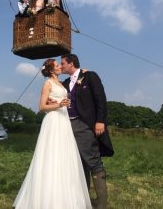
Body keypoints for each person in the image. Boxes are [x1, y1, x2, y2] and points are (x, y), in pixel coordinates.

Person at [13, 59, 92, 209]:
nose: (60, 67)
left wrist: (83, 73)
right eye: (56, 65)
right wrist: (58, 104)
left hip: (64, 121)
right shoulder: (47, 84)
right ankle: (48, 197)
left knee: (64, 154)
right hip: (53, 121)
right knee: (51, 154)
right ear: (50, 70)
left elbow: (76, 79)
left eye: (59, 64)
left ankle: (66, 194)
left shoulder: (62, 83)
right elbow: (42, 106)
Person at [60, 54, 114, 209]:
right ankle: (84, 201)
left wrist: (100, 120)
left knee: (93, 161)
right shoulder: (64, 83)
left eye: (63, 63)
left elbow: (100, 99)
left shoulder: (90, 76)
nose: (61, 66)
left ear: (71, 64)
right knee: (79, 163)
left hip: (85, 125)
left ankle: (102, 205)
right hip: (67, 126)